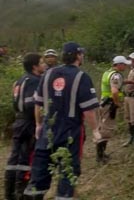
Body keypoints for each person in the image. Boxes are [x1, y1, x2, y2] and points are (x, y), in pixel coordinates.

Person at [23, 42, 101, 200]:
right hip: (70, 133)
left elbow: (38, 103)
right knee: (68, 174)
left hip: (47, 131)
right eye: (82, 54)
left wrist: (38, 125)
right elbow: (88, 110)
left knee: (38, 175)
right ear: (78, 56)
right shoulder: (81, 77)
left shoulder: (47, 74)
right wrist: (95, 130)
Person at [4, 53, 46, 200]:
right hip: (28, 122)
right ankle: (21, 193)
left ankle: (9, 193)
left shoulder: (19, 81)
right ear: (35, 66)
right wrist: (40, 120)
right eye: (41, 62)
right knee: (27, 158)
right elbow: (32, 103)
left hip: (18, 121)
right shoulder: (35, 81)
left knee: (14, 158)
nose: (44, 65)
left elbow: (15, 103)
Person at [96, 56, 130, 163]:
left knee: (103, 127)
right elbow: (114, 91)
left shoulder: (108, 73)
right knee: (106, 130)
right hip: (109, 104)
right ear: (118, 64)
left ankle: (101, 154)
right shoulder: (115, 75)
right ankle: (100, 157)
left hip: (104, 103)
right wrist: (117, 103)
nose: (125, 66)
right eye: (124, 64)